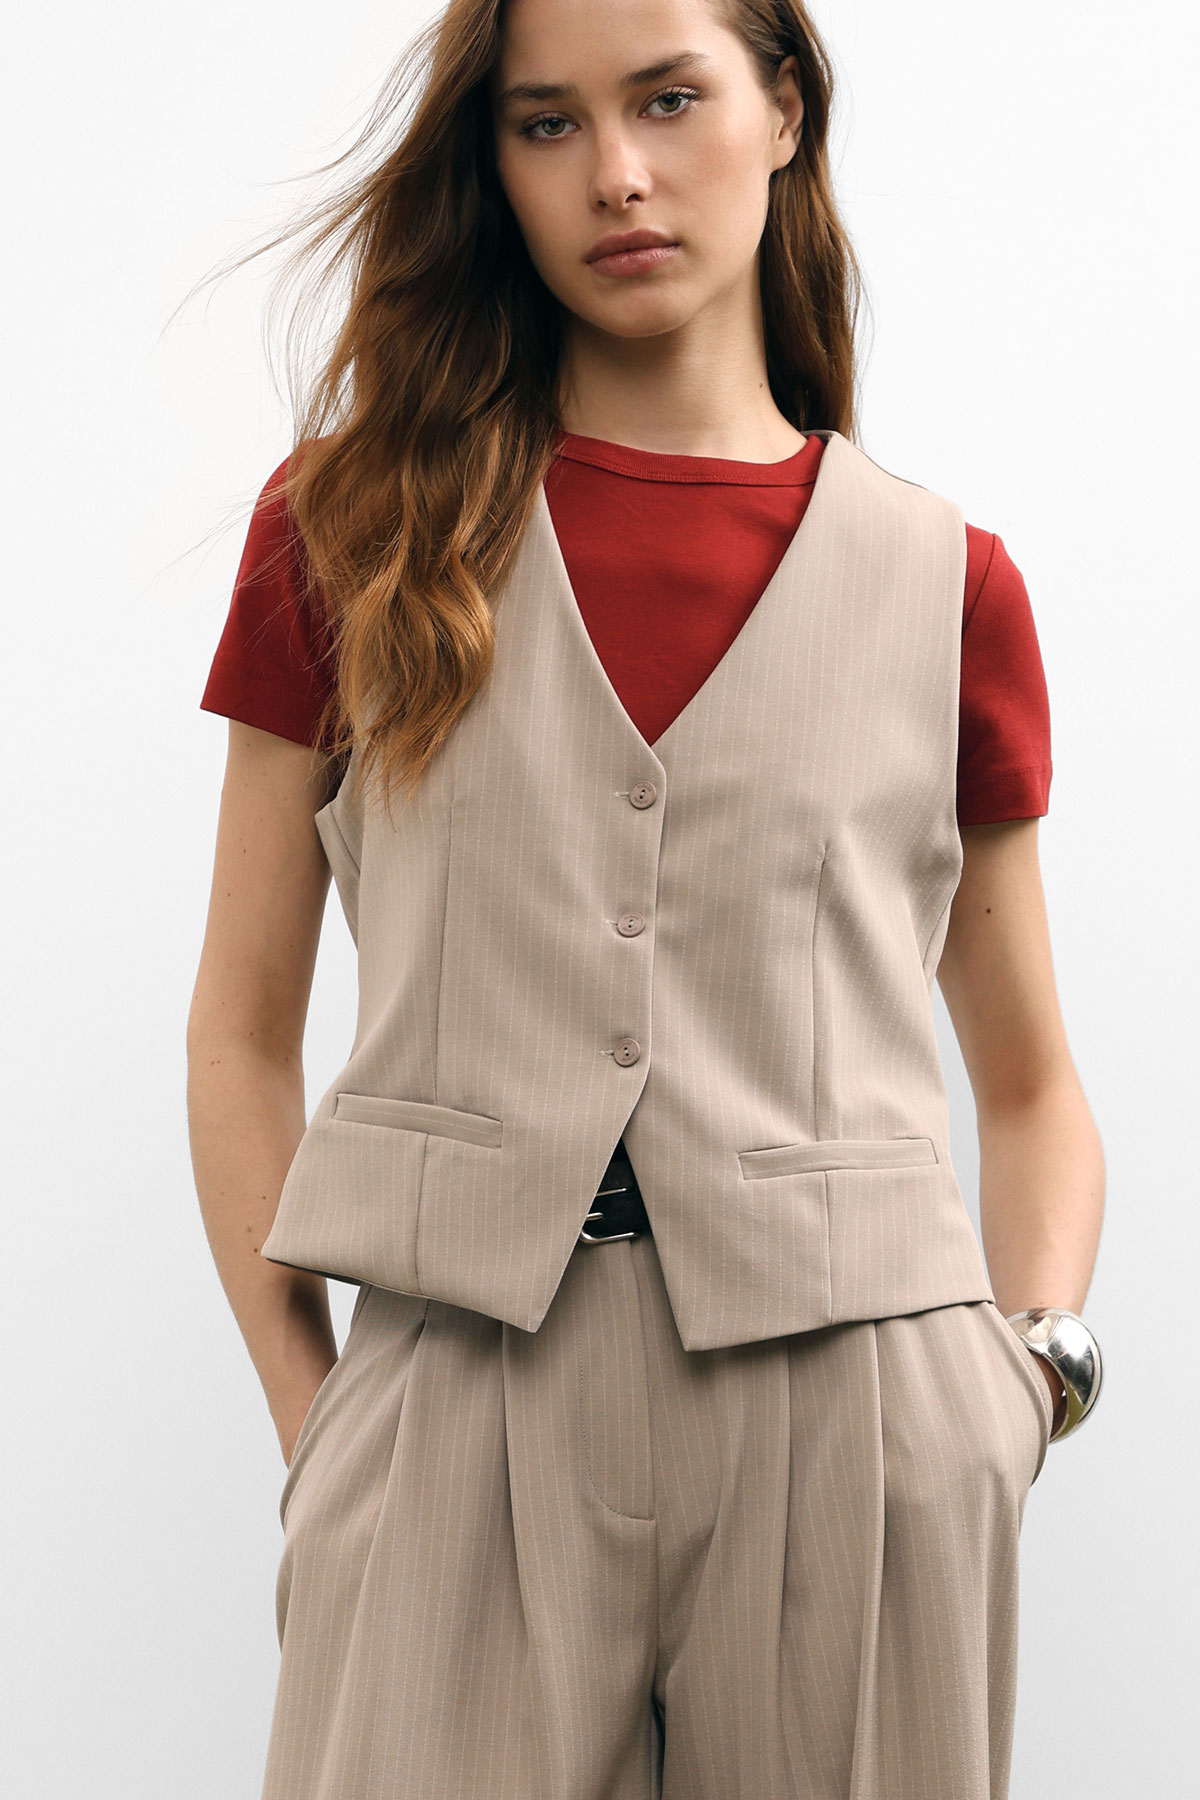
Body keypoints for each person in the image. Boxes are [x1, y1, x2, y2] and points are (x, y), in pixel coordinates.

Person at [186, 0, 1106, 1794]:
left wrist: (1025, 1385)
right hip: (457, 1402)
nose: (615, 172)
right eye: (546, 123)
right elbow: (238, 1028)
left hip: (861, 1418)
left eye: (669, 99)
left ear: (785, 109)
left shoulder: (946, 586)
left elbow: (1028, 1080)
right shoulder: (351, 533)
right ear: (495, 165)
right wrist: (322, 1425)